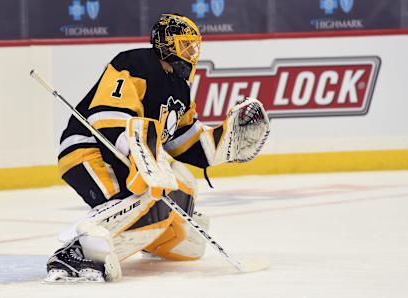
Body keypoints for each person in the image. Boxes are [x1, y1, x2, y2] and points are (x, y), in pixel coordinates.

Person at [44, 13, 269, 283]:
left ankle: (155, 239)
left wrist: (224, 141)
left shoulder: (180, 89)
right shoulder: (135, 63)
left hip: (132, 156)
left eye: (194, 46)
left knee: (182, 185)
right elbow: (108, 116)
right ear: (165, 43)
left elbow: (183, 138)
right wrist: (144, 161)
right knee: (145, 192)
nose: (192, 52)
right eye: (186, 45)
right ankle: (75, 253)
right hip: (89, 151)